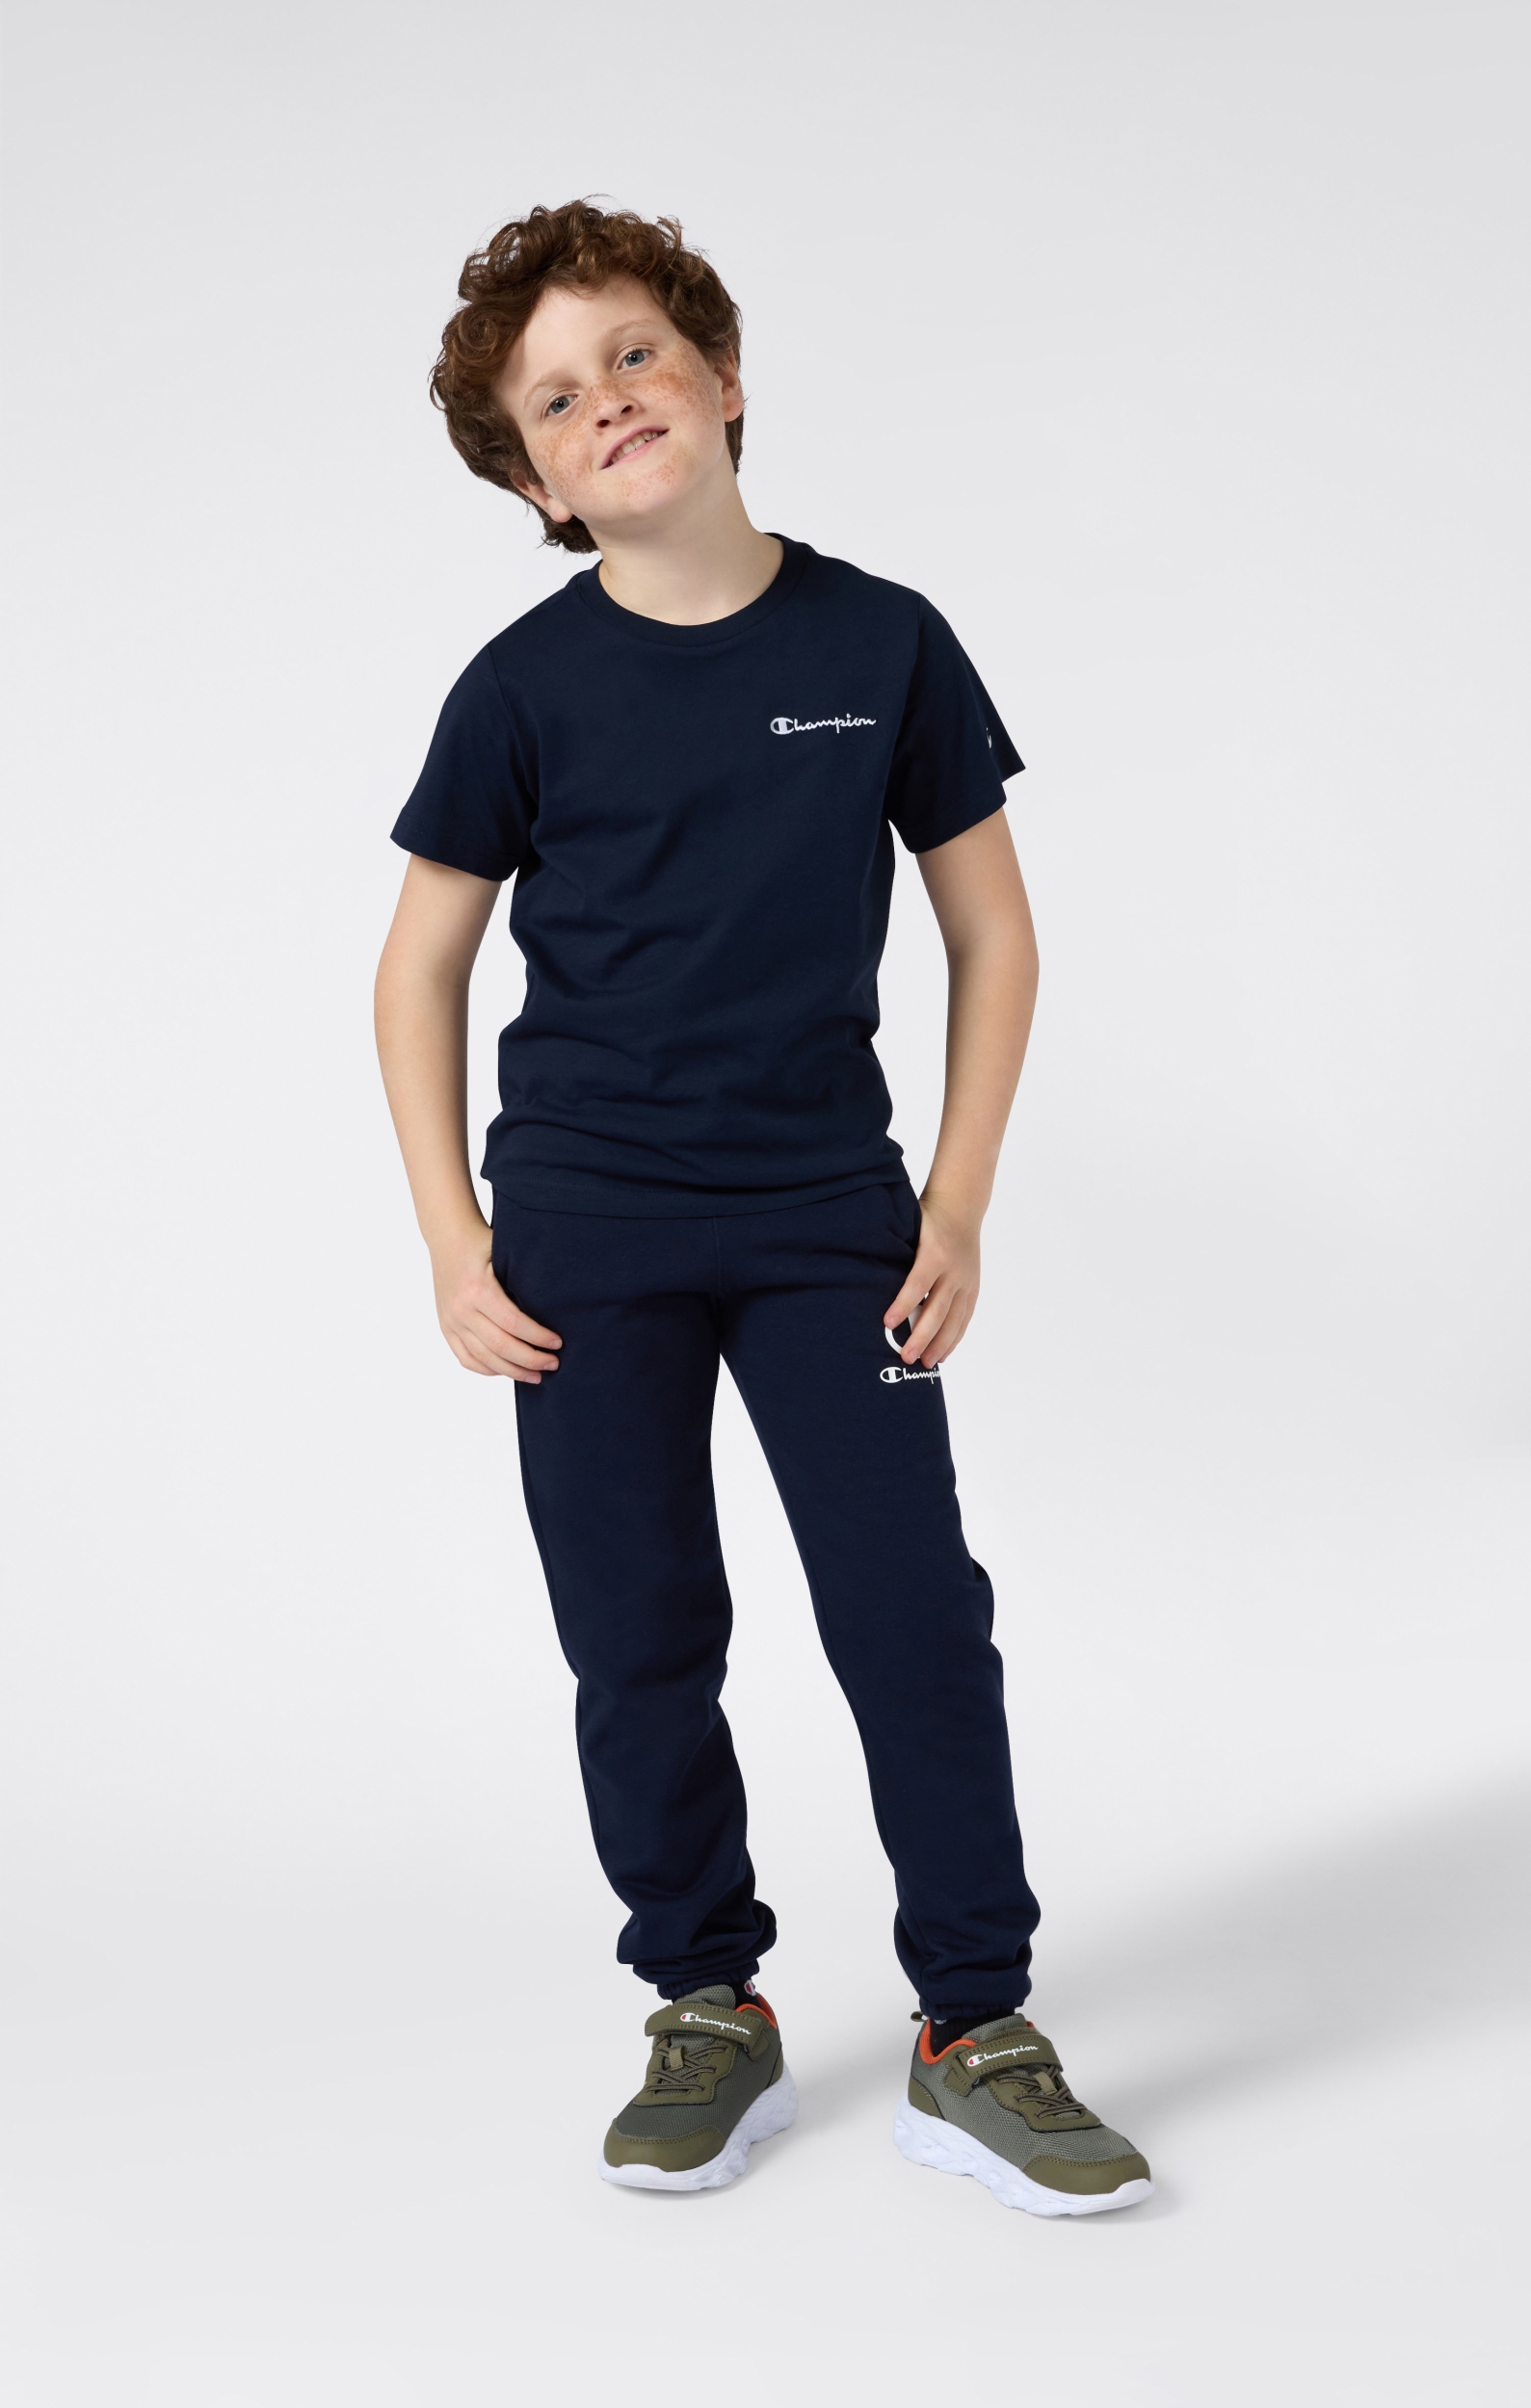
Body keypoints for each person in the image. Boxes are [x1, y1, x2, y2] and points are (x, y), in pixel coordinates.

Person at [374, 200, 1151, 2215]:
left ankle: (972, 2027)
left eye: (634, 354)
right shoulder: (519, 689)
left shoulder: (880, 640)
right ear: (538, 486)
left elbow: (993, 932)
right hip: (583, 1233)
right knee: (639, 1628)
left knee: (914, 1617)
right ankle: (705, 1999)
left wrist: (954, 1206)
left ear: (722, 378)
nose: (607, 402)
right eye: (558, 400)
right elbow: (419, 966)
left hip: (828, 1219)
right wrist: (454, 1240)